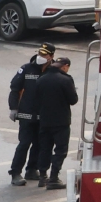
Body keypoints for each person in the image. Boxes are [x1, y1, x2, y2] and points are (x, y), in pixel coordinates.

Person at [6, 44, 56, 186]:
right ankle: (15, 172)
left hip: (43, 116)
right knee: (24, 144)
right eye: (40, 53)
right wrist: (13, 108)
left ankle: (32, 170)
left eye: (44, 54)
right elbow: (15, 89)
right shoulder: (26, 68)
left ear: (51, 56)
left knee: (39, 144)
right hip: (26, 115)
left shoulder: (53, 70)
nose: (41, 57)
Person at [27, 56, 77, 191]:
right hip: (61, 121)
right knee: (60, 150)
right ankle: (54, 178)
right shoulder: (66, 80)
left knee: (45, 148)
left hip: (45, 120)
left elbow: (36, 100)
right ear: (65, 66)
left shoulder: (41, 79)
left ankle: (42, 176)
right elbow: (73, 100)